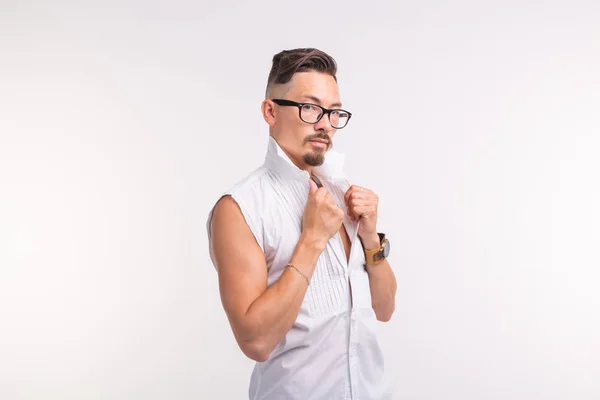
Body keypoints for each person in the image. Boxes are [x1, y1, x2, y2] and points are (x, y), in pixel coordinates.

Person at [206, 48, 397, 400]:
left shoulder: (342, 192)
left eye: (334, 112)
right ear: (270, 111)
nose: (325, 123)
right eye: (310, 108)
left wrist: (370, 238)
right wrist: (311, 240)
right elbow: (256, 342)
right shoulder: (240, 209)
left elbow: (384, 309)